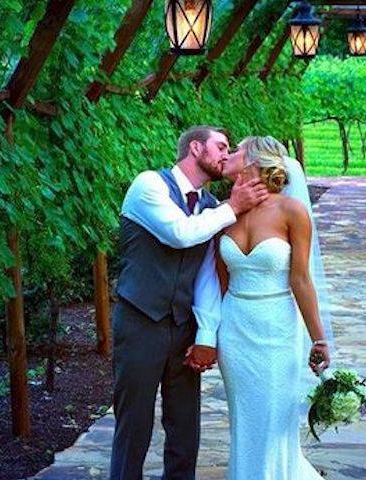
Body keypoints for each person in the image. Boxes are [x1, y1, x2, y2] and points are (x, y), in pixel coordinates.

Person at [109, 126, 269, 480]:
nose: (226, 155)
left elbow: (207, 277)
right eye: (221, 147)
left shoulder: (212, 207)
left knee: (185, 430)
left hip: (184, 327)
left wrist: (206, 336)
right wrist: (233, 207)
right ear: (195, 148)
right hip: (139, 322)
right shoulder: (148, 185)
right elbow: (180, 233)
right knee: (133, 424)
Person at [198, 136, 333, 478]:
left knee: (275, 421)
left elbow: (301, 279)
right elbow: (221, 279)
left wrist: (319, 339)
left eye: (235, 149)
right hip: (235, 328)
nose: (226, 154)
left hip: (276, 329)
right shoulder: (224, 212)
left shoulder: (291, 211)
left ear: (254, 160)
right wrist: (212, 333)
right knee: (244, 420)